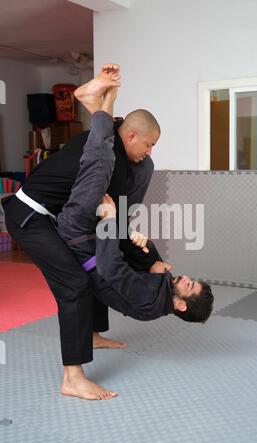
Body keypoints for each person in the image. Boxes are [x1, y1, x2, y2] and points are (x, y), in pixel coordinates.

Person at [3, 65, 165, 400]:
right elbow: (106, 137)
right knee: (74, 283)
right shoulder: (102, 150)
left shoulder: (112, 146)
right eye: (148, 145)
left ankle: (90, 333)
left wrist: (106, 96)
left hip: (51, 215)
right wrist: (99, 98)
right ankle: (72, 378)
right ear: (132, 136)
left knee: (94, 261)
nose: (150, 153)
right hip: (29, 216)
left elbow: (112, 128)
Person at [55, 70, 214, 398]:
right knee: (138, 170)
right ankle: (107, 106)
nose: (185, 278)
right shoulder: (160, 289)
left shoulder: (148, 298)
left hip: (79, 237)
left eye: (188, 286)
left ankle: (97, 105)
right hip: (100, 238)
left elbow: (111, 267)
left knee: (98, 165)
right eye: (191, 279)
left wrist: (113, 221)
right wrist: (149, 252)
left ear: (181, 306)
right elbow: (133, 260)